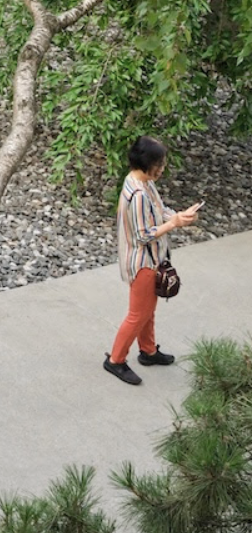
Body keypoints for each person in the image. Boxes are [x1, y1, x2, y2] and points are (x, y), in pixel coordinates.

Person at [104, 136, 201, 385]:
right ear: (147, 164)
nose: (162, 168)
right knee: (138, 315)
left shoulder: (142, 182)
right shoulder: (138, 194)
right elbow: (142, 235)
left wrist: (179, 216)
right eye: (159, 164)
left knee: (148, 309)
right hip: (142, 263)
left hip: (150, 259)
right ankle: (115, 360)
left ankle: (148, 351)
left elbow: (159, 210)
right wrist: (174, 223)